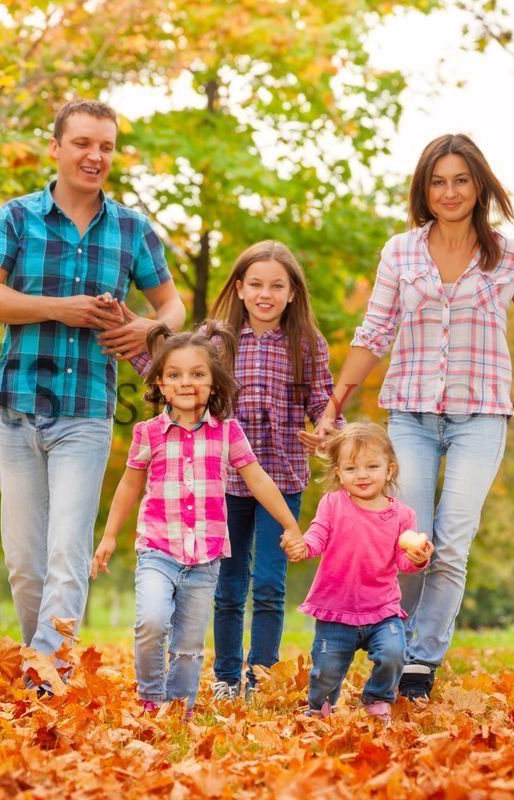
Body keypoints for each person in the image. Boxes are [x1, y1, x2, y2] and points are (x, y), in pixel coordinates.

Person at [308, 133, 514, 700]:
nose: (450, 191)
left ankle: (419, 664)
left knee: (451, 544)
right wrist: (333, 407)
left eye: (461, 179)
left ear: (478, 185)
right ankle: (393, 644)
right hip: (409, 414)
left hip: (480, 418)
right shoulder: (400, 252)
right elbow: (374, 334)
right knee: (409, 537)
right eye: (438, 181)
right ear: (424, 189)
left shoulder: (507, 256)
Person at [0, 98, 185, 677]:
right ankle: (46, 655)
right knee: (24, 561)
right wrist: (58, 309)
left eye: (106, 147)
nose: (95, 156)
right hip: (16, 407)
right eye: (84, 143)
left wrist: (149, 326)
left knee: (68, 550)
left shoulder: (133, 229)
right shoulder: (17, 218)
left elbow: (173, 306)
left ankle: (48, 668)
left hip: (87, 410)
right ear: (57, 148)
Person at [123, 241, 339, 699]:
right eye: (256, 284)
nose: (266, 294)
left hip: (280, 477)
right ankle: (225, 679)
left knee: (268, 584)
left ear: (292, 293)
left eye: (277, 286)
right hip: (221, 482)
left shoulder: (308, 343)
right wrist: (128, 332)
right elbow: (173, 368)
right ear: (239, 288)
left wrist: (326, 429)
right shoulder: (216, 339)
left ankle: (261, 678)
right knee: (229, 583)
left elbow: (322, 401)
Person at [89, 323, 303, 715]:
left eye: (197, 374)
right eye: (175, 374)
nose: (186, 383)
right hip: (157, 549)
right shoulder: (148, 433)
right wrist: (108, 537)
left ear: (215, 384)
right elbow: (128, 486)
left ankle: (179, 708)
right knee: (151, 622)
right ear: (160, 384)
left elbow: (257, 480)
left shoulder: (228, 433)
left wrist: (290, 524)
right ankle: (151, 698)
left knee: (188, 647)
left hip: (205, 558)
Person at [281, 423, 433, 717]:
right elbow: (318, 535)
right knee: (326, 668)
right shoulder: (333, 503)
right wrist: (302, 547)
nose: (362, 475)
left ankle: (376, 699)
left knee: (394, 653)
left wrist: (417, 558)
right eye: (351, 468)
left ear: (389, 470)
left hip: (382, 608)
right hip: (336, 607)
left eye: (372, 466)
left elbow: (402, 560)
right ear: (338, 472)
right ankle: (320, 709)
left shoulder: (402, 514)